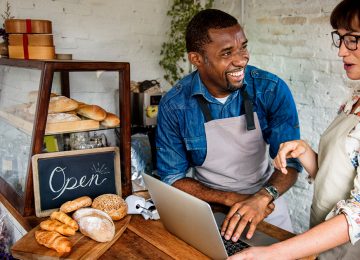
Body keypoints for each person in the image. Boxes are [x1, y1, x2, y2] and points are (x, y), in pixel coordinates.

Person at [155, 9, 303, 241]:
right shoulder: (175, 105)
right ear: (196, 59)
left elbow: (291, 163)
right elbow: (172, 177)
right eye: (227, 53)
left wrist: (263, 197)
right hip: (210, 208)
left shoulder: (270, 89)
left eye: (243, 47)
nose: (241, 59)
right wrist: (227, 198)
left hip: (267, 206)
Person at [229, 0, 360, 259]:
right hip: (328, 246)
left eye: (353, 39)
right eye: (341, 39)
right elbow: (337, 174)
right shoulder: (353, 100)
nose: (341, 52)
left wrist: (272, 253)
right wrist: (304, 151)